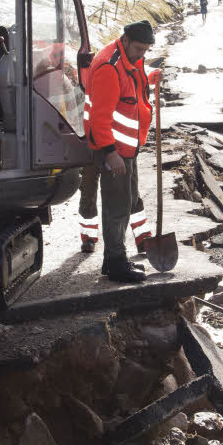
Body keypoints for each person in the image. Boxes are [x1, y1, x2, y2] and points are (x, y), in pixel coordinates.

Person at [83, 20, 159, 283]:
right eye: (139, 48)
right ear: (125, 40)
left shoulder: (130, 59)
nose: (142, 54)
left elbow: (131, 93)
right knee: (117, 207)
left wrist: (150, 78)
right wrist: (110, 153)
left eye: (146, 50)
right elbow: (99, 118)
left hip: (127, 147)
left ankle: (111, 261)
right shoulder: (109, 67)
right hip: (113, 149)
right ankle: (116, 263)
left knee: (126, 201)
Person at [78, 165, 151, 254]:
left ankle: (142, 237)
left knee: (131, 191)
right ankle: (88, 237)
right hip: (90, 153)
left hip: (122, 152)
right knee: (88, 191)